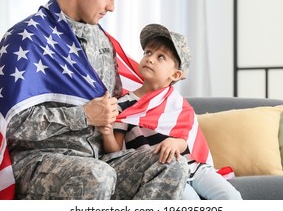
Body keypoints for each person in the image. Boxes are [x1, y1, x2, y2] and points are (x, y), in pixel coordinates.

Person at [0, 0, 189, 200]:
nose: (112, 7)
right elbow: (13, 126)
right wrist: (82, 116)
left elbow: (113, 110)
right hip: (38, 162)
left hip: (100, 160)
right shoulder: (25, 40)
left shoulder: (103, 43)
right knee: (97, 175)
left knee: (172, 165)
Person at [101, 23, 242, 200]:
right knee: (191, 202)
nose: (150, 59)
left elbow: (184, 140)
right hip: (165, 173)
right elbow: (116, 151)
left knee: (232, 198)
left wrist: (175, 143)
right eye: (148, 53)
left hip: (195, 167)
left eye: (161, 57)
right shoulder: (123, 104)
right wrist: (107, 134)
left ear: (175, 75)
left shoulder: (177, 104)